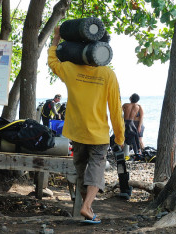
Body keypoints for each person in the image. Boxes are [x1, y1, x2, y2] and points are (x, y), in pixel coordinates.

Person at [48, 26, 125, 223]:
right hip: (98, 135)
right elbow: (115, 109)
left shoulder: (70, 69)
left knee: (82, 171)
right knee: (96, 170)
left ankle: (87, 208)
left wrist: (56, 38)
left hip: (76, 132)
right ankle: (87, 207)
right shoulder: (108, 74)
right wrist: (120, 137)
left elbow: (52, 61)